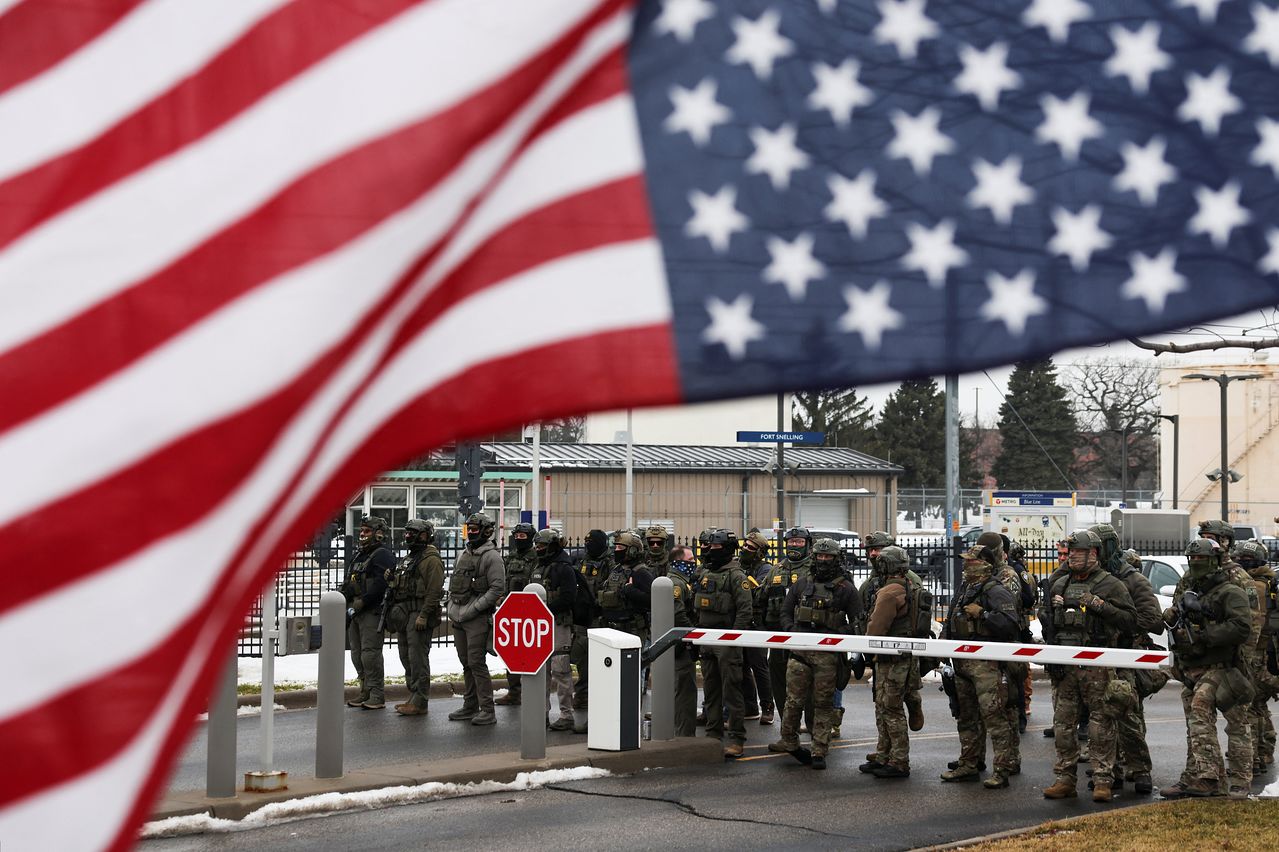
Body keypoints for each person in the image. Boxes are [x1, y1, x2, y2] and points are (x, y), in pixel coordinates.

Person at [1163, 519, 1263, 794]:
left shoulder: (1237, 580)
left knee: (1236, 722)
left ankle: (1240, 782)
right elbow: (1178, 615)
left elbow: (1250, 626)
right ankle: (1201, 776)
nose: (1196, 561)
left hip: (1229, 663)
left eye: (1211, 539)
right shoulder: (1191, 580)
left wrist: (1239, 665)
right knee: (1196, 724)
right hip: (1195, 663)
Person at [1039, 529, 1137, 803]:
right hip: (1066, 666)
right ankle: (1065, 778)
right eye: (1070, 553)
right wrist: (1051, 609)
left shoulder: (1110, 584)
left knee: (1100, 723)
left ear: (1094, 554)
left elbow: (1130, 621)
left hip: (1097, 667)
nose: (1072, 557)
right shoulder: (1060, 583)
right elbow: (1046, 619)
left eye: (1078, 553)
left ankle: (1102, 779)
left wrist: (1099, 605)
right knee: (1063, 724)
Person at [772, 538, 862, 770]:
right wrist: (792, 631)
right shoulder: (801, 584)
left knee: (823, 704)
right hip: (800, 654)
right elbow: (785, 612)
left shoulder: (846, 588)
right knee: (793, 702)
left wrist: (838, 634)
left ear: (836, 558)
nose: (823, 561)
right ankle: (790, 742)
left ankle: (820, 750)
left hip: (827, 656)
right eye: (820, 556)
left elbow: (858, 621)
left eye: (828, 557)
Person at [940, 545, 1022, 789]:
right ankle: (969, 763)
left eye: (971, 561)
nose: (966, 565)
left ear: (984, 563)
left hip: (986, 664)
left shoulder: (996, 590)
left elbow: (1010, 624)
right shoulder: (967, 588)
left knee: (994, 718)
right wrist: (945, 643)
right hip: (963, 663)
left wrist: (984, 614)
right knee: (967, 717)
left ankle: (1002, 768)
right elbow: (952, 616)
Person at [1090, 524, 1162, 794]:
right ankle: (1111, 771)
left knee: (1128, 716)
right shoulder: (1092, 576)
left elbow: (1151, 619)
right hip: (1098, 656)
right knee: (1102, 717)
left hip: (1126, 654)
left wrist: (1120, 625)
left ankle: (1140, 769)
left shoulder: (1132, 579)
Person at [861, 545, 921, 779]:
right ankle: (884, 755)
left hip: (891, 659)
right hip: (903, 657)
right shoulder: (909, 585)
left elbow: (876, 629)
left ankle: (899, 761)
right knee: (884, 706)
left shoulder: (889, 592)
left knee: (890, 708)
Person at [694, 528, 754, 758]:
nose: (712, 551)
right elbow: (695, 604)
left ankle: (737, 739)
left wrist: (733, 640)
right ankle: (713, 735)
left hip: (727, 641)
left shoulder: (737, 576)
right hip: (705, 638)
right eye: (710, 547)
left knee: (731, 692)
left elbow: (744, 611)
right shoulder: (704, 573)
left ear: (728, 550)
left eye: (717, 547)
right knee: (710, 690)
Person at [447, 513, 505, 726]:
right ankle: (470, 705)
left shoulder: (492, 557)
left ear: (486, 531)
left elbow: (498, 587)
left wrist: (475, 608)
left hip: (477, 618)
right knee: (466, 664)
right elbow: (455, 582)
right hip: (459, 616)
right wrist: (452, 607)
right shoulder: (464, 554)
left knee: (476, 663)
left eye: (474, 529)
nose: (470, 533)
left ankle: (487, 710)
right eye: (468, 529)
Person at [1230, 540, 1278, 773]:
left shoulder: (1256, 587)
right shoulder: (1268, 582)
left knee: (1250, 705)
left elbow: (1254, 624)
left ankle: (1256, 755)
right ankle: (1265, 750)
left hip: (1258, 652)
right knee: (1259, 704)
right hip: (1266, 652)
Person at [388, 519, 444, 716]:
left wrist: (424, 615)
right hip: (405, 614)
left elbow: (434, 590)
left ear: (426, 535)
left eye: (415, 533)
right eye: (408, 533)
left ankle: (421, 700)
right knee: (405, 655)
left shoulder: (431, 559)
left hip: (419, 614)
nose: (409, 536)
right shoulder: (409, 558)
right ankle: (413, 695)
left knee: (418, 657)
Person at [756, 527, 810, 728]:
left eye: (799, 542)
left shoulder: (814, 569)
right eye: (791, 542)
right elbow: (761, 598)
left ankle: (812, 724)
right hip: (778, 636)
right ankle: (788, 725)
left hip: (806, 637)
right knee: (778, 681)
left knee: (808, 683)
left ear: (807, 544)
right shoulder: (776, 570)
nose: (794, 545)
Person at [341, 516, 395, 709]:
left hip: (372, 611)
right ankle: (364, 689)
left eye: (367, 531)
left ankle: (376, 694)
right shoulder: (359, 555)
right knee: (356, 653)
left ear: (378, 534)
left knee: (370, 654)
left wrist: (363, 601)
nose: (362, 534)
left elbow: (381, 584)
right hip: (355, 611)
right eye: (361, 531)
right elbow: (350, 581)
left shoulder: (383, 555)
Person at [530, 529, 579, 730]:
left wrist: (545, 610)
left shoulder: (565, 568)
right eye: (537, 546)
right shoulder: (538, 565)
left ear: (552, 546)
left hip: (559, 623)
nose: (538, 549)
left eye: (542, 546)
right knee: (540, 671)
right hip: (540, 624)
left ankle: (567, 715)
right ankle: (540, 713)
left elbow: (568, 598)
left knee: (560, 669)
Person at [496, 523, 539, 707]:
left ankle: (530, 691)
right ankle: (514, 691)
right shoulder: (510, 557)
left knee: (531, 656)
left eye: (523, 536)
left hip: (530, 611)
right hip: (511, 611)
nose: (520, 539)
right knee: (511, 654)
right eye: (517, 536)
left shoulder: (536, 558)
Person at [570, 529, 611, 711]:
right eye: (586, 542)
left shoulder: (610, 563)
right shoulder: (583, 561)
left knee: (600, 659)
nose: (588, 546)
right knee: (581, 658)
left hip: (600, 617)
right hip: (583, 616)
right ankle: (582, 694)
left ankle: (598, 694)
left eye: (592, 542)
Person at [738, 530, 774, 725]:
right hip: (740, 622)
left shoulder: (765, 569)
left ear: (759, 552)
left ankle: (768, 707)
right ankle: (750, 706)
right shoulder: (738, 565)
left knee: (759, 666)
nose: (745, 549)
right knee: (742, 665)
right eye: (744, 545)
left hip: (757, 623)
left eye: (750, 548)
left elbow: (758, 592)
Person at [595, 531, 653, 641]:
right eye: (615, 546)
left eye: (620, 547)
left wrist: (631, 591)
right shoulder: (616, 570)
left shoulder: (641, 572)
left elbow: (653, 600)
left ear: (632, 551)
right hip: (611, 630)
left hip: (631, 632)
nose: (616, 550)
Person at [668, 545, 700, 737]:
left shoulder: (678, 581)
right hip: (681, 645)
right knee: (685, 692)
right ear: (678, 562)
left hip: (677, 644)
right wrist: (693, 637)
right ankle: (685, 735)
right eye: (690, 561)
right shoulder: (677, 584)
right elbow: (679, 615)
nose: (693, 564)